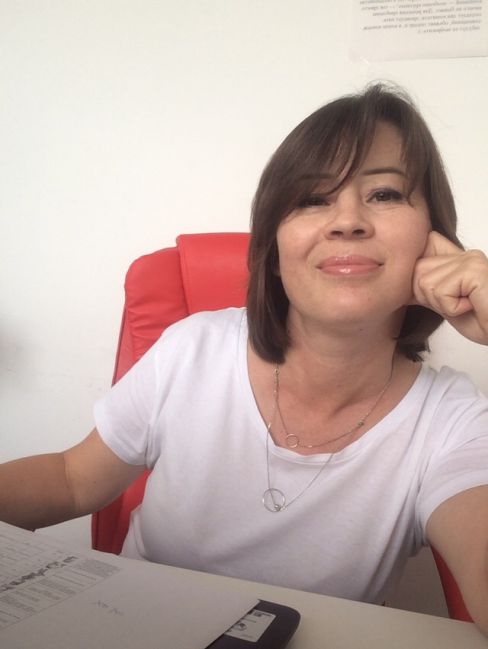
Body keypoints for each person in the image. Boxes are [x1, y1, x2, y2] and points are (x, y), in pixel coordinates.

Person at [1, 83, 488, 635]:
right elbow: (71, 480)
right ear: (275, 254)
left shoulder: (451, 421)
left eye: (384, 194)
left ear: (435, 242)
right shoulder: (194, 349)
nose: (347, 220)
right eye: (313, 198)